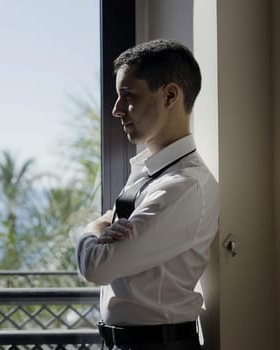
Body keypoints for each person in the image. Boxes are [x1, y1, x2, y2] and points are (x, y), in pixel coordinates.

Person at [75, 39, 219, 350]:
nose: (116, 110)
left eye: (127, 96)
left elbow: (98, 267)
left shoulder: (182, 185)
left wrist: (90, 230)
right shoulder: (149, 172)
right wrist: (104, 226)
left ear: (169, 95)